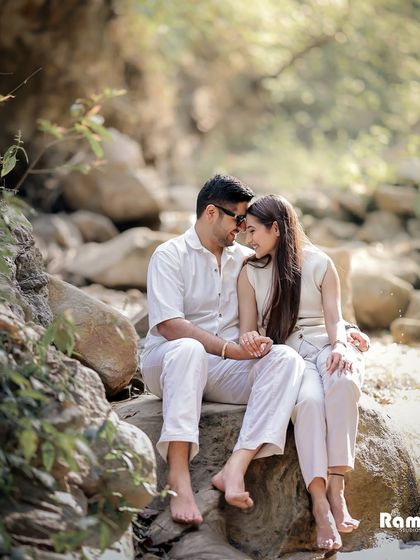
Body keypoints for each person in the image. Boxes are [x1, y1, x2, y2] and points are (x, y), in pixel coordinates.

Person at [141, 175, 305, 525]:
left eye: (248, 221)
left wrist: (342, 332)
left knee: (286, 359)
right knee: (188, 349)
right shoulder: (170, 255)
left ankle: (234, 468)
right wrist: (230, 350)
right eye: (239, 218)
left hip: (223, 370)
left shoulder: (247, 259)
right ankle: (179, 478)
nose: (244, 228)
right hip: (168, 363)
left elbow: (298, 286)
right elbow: (170, 325)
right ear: (211, 212)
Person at [237, 194, 369, 551]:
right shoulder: (250, 272)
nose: (248, 239)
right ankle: (320, 504)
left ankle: (336, 489)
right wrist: (251, 338)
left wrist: (341, 345)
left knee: (342, 382)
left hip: (326, 346)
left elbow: (333, 318)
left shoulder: (320, 263)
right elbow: (248, 329)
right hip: (290, 358)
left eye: (252, 231)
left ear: (275, 229)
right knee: (309, 403)